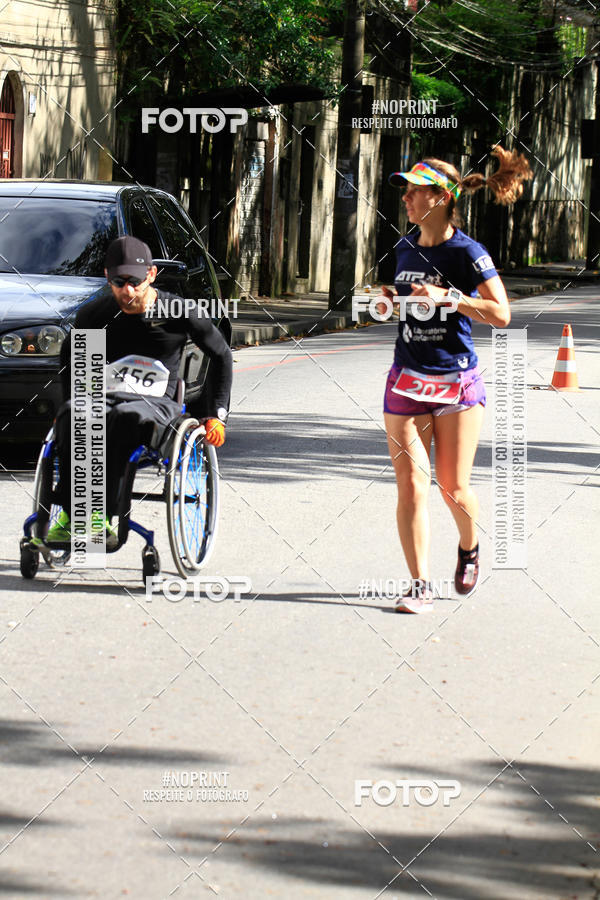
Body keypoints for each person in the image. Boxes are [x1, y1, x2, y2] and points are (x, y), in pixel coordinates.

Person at [380, 147, 532, 613]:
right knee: (410, 485)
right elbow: (404, 300)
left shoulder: (469, 252)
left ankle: (468, 548)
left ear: (441, 198)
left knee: (452, 488)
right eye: (404, 192)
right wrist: (388, 301)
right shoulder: (404, 246)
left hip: (455, 383)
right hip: (406, 378)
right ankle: (419, 584)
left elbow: (502, 314)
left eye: (414, 192)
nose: (406, 199)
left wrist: (449, 296)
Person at [43, 235, 233, 545]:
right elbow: (72, 358)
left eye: (135, 281)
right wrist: (70, 402)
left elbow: (221, 353)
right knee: (75, 415)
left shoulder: (179, 312)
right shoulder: (97, 315)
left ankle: (99, 514)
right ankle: (71, 512)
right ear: (108, 277)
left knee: (126, 417)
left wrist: (216, 415)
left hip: (157, 404)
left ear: (151, 275)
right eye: (119, 281)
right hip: (107, 395)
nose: (127, 290)